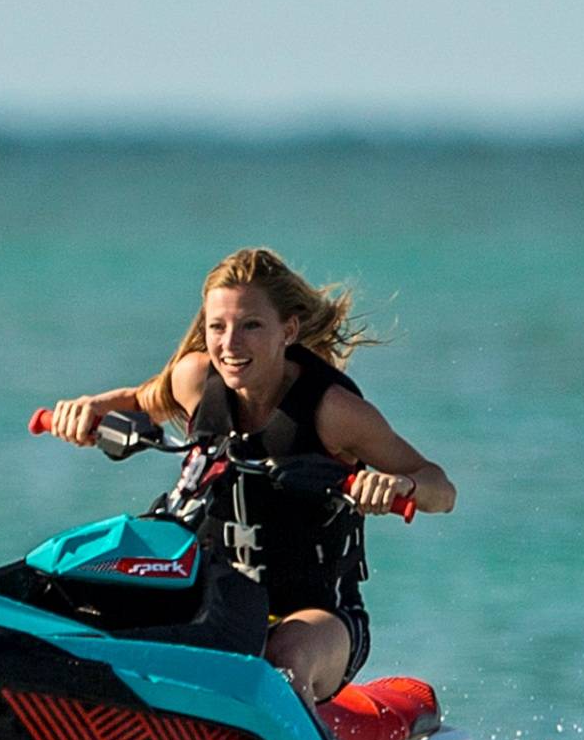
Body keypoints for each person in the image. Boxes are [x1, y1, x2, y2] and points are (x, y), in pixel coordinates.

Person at [43, 247, 456, 702]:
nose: (230, 344)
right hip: (212, 593)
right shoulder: (195, 380)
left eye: (251, 326)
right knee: (94, 600)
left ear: (288, 331)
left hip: (316, 614)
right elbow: (140, 401)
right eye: (217, 327)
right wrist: (86, 411)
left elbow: (441, 488)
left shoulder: (333, 412)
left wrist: (402, 485)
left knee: (283, 660)